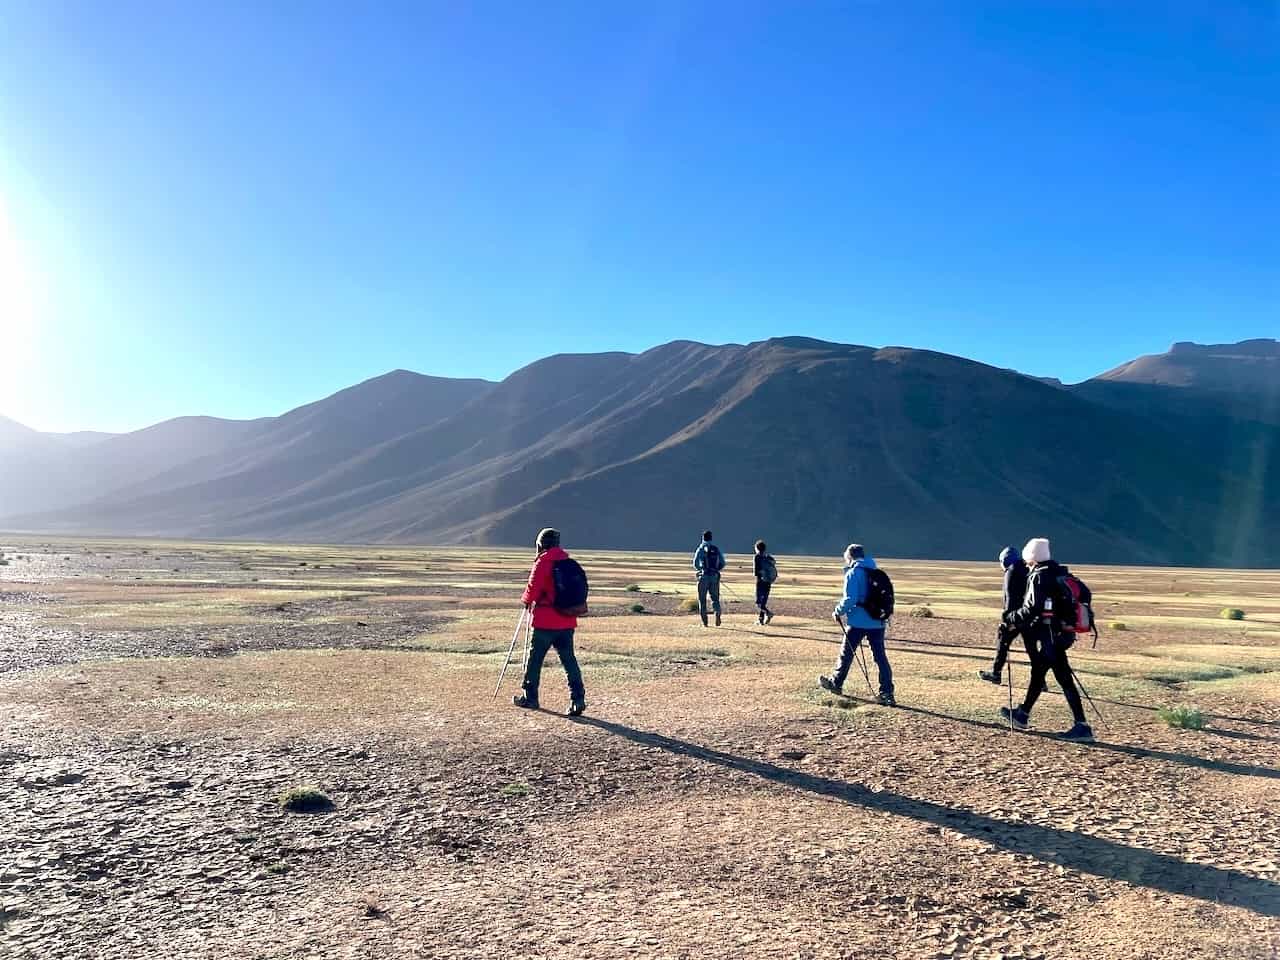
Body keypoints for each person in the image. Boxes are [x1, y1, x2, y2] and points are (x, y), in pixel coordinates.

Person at [1000, 537, 1093, 741]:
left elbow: (1032, 607)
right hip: (1064, 634)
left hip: (1051, 636)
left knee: (1063, 678)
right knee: (1040, 672)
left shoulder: (1039, 576)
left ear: (1031, 556)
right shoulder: (1061, 573)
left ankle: (1082, 726)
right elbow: (1086, 594)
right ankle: (1022, 714)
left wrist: (1011, 618)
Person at [513, 527, 586, 717]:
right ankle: (578, 699)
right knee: (569, 660)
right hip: (567, 622)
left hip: (545, 622)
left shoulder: (542, 563)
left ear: (540, 544)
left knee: (535, 660)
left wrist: (526, 601)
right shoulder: (569, 562)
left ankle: (530, 697)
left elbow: (532, 590)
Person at [820, 544, 895, 706]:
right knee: (880, 657)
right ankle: (887, 693)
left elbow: (850, 599)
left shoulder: (853, 573)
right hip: (877, 622)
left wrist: (837, 611)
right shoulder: (875, 571)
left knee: (846, 654)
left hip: (857, 622)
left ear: (850, 556)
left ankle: (836, 683)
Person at [979, 546, 1035, 684]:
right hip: (1029, 616)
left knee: (1003, 641)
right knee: (1032, 649)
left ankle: (996, 673)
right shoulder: (1028, 569)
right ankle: (1040, 681)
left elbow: (1010, 598)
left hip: (1015, 617)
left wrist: (1007, 619)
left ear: (1004, 560)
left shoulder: (1012, 571)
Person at [692, 530, 726, 627]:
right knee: (715, 598)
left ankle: (705, 622)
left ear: (703, 538)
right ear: (711, 538)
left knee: (702, 600)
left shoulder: (701, 549)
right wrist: (716, 570)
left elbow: (695, 564)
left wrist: (701, 569)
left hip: (704, 577)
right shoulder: (715, 549)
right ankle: (717, 612)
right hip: (714, 577)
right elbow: (723, 563)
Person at [753, 539, 776, 625]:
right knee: (763, 602)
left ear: (757, 548)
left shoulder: (757, 557)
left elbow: (756, 572)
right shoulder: (768, 557)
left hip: (760, 581)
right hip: (768, 581)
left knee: (758, 603)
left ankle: (768, 613)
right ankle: (761, 619)